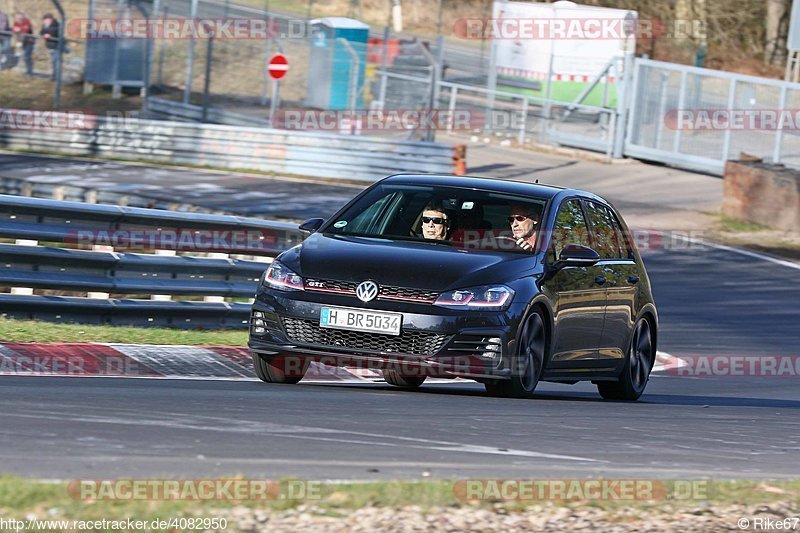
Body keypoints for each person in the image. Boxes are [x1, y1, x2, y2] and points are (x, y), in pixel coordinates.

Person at [40, 13, 60, 80]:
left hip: (56, 45)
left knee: (56, 61)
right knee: (53, 61)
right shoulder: (45, 25)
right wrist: (44, 34)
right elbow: (41, 32)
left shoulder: (56, 24)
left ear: (49, 20)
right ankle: (54, 76)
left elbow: (56, 32)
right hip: (50, 45)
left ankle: (56, 77)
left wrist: (49, 35)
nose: (44, 21)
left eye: (45, 20)